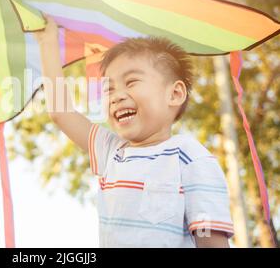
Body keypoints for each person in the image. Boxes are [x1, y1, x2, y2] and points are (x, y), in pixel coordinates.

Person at [33, 14, 234, 248]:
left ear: (175, 94)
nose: (116, 96)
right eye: (109, 89)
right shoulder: (111, 151)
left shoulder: (189, 156)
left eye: (131, 82)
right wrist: (47, 43)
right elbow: (61, 112)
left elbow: (211, 241)